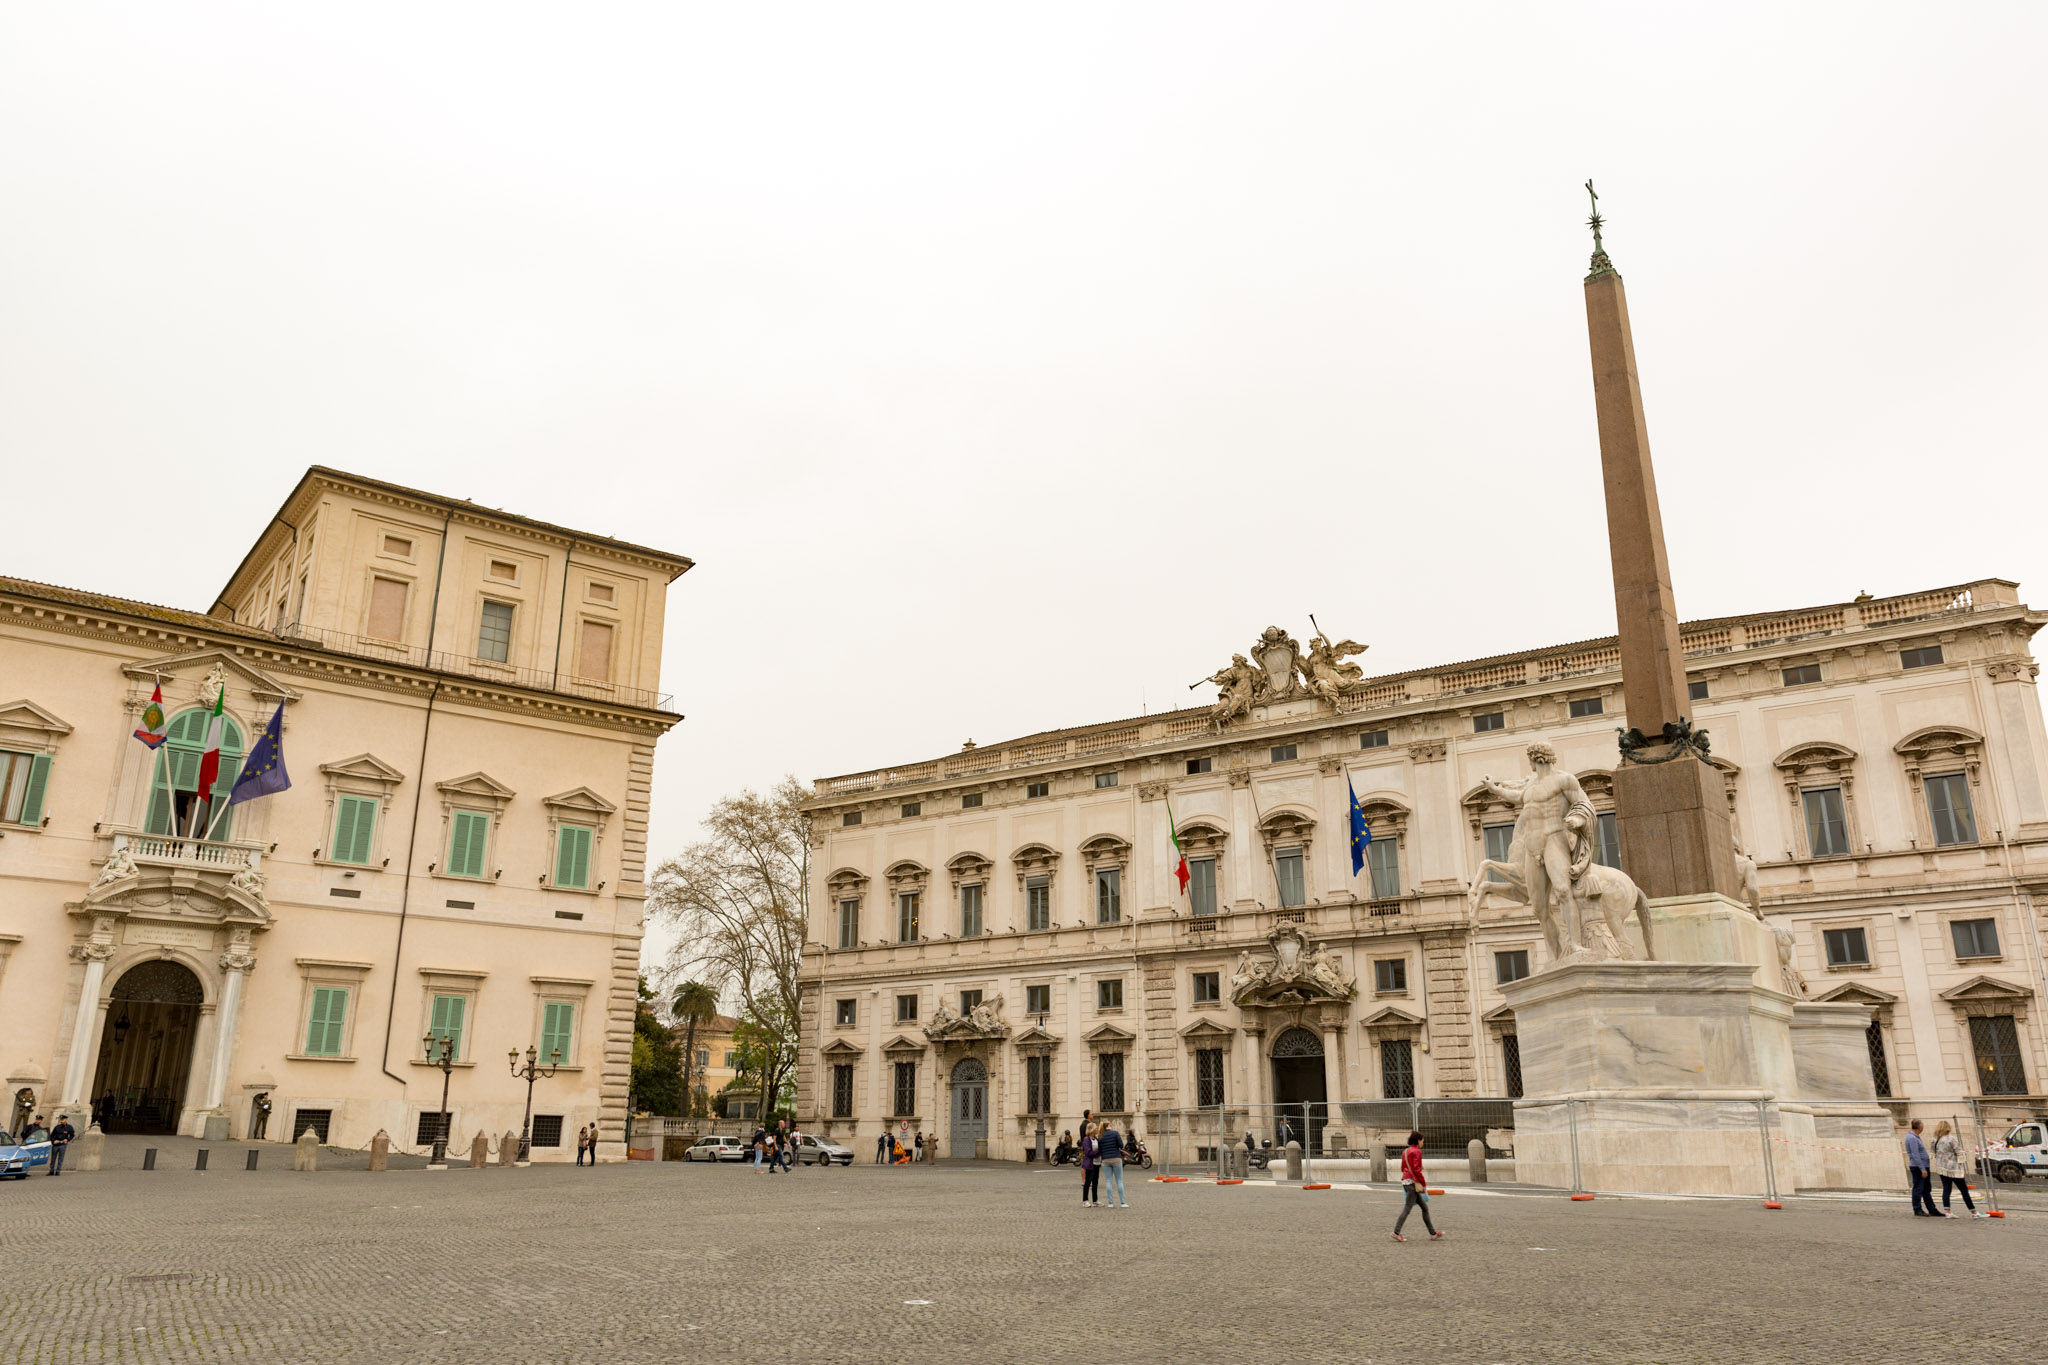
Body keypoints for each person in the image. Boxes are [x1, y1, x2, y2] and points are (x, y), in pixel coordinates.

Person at [1392, 1131, 1442, 1241]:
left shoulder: (1405, 1151)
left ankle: (1433, 1233)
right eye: (1422, 1141)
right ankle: (1396, 1232)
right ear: (1418, 1140)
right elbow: (1416, 1170)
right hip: (1413, 1183)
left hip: (1406, 1181)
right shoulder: (1417, 1151)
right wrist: (1423, 1183)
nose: (1423, 1143)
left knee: (1424, 1208)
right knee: (1407, 1209)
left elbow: (1403, 1168)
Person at [1930, 1121, 1984, 1218]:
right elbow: (1958, 1151)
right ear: (1948, 1128)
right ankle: (1974, 1212)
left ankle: (1948, 1212)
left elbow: (1933, 1152)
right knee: (1964, 1190)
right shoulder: (1951, 1138)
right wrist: (1963, 1155)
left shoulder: (1934, 1139)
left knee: (1946, 1189)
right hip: (1954, 1168)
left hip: (1941, 1167)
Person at [1905, 1119, 1938, 1216]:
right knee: (1918, 1188)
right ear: (1919, 1127)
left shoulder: (1914, 1137)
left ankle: (1932, 1209)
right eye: (1922, 1126)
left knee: (1926, 1189)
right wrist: (1922, 1169)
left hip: (1922, 1166)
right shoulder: (1912, 1138)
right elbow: (1915, 1154)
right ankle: (1917, 1209)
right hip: (1919, 1167)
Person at [1097, 1120, 1129, 1209]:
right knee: (1119, 1181)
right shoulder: (1115, 1133)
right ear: (1109, 1125)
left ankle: (1110, 1203)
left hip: (1106, 1160)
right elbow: (1121, 1145)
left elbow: (1099, 1149)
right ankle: (1122, 1202)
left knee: (1108, 1181)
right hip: (1116, 1158)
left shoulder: (1100, 1136)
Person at [1079, 1122, 1100, 1207]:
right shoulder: (1086, 1140)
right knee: (1087, 1182)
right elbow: (1088, 1152)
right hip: (1089, 1163)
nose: (1097, 1129)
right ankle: (1085, 1200)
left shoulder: (1096, 1139)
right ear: (1091, 1130)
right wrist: (1098, 1153)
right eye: (1095, 1128)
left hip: (1097, 1163)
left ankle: (1095, 1200)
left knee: (1095, 1182)